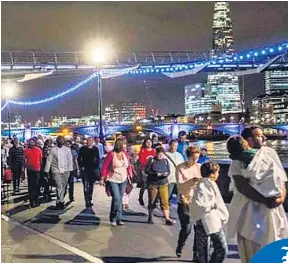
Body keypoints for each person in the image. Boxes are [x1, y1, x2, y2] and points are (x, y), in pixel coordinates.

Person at [226, 125, 288, 263]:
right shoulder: (236, 162)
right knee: (252, 250)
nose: (264, 137)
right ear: (249, 140)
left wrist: (281, 198)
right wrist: (265, 200)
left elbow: (281, 178)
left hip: (272, 210)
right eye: (259, 135)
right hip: (249, 211)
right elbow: (242, 187)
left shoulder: (270, 153)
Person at [190, 161, 229, 263]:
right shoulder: (205, 184)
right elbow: (201, 204)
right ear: (212, 173)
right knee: (221, 248)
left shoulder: (207, 184)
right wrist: (212, 206)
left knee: (204, 252)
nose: (218, 175)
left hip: (205, 221)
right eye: (217, 172)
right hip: (208, 221)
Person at [175, 146, 202, 259]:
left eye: (197, 158)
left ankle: (196, 253)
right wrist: (192, 181)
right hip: (184, 200)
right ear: (188, 157)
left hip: (197, 201)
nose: (195, 161)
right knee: (186, 228)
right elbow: (180, 185)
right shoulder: (180, 167)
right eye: (193, 158)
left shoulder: (200, 167)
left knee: (198, 229)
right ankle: (180, 246)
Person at [101, 138, 133, 226]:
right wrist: (102, 177)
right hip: (112, 179)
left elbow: (128, 166)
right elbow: (105, 166)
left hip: (123, 179)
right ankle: (113, 217)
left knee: (120, 199)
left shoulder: (125, 154)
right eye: (124, 144)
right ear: (119, 145)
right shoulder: (111, 154)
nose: (125, 146)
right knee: (116, 199)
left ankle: (119, 218)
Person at [145, 146, 175, 225]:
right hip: (153, 184)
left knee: (165, 201)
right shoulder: (152, 160)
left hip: (163, 183)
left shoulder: (165, 161)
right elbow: (146, 170)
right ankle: (150, 217)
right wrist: (156, 174)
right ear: (156, 153)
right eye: (159, 154)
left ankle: (167, 218)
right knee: (152, 201)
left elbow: (168, 171)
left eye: (161, 154)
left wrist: (165, 174)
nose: (160, 156)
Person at [45, 136, 73, 210]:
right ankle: (61, 201)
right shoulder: (53, 149)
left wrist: (71, 170)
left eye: (62, 140)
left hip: (66, 170)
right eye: (59, 140)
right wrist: (46, 171)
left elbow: (70, 160)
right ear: (57, 141)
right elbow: (49, 160)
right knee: (59, 186)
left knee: (63, 186)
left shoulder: (67, 149)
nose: (60, 142)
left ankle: (59, 200)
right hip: (56, 170)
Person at [78, 137, 100, 208]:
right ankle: (87, 200)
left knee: (91, 184)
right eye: (88, 140)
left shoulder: (95, 149)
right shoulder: (82, 149)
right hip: (85, 169)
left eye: (90, 141)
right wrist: (81, 166)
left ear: (92, 141)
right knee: (86, 185)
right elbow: (79, 158)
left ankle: (90, 197)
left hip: (92, 169)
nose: (89, 142)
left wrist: (96, 166)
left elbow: (98, 159)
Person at [23, 138, 43, 207]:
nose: (31, 143)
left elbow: (41, 160)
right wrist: (24, 169)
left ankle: (35, 199)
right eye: (30, 142)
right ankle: (32, 200)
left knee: (36, 185)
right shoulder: (26, 150)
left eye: (32, 142)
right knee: (31, 185)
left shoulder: (38, 149)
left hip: (37, 170)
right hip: (29, 170)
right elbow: (24, 160)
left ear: (35, 143)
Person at [138, 138, 156, 206]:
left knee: (151, 186)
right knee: (144, 185)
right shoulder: (142, 151)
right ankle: (140, 198)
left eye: (150, 142)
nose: (149, 143)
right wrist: (149, 163)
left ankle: (152, 200)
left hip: (152, 170)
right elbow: (141, 161)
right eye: (147, 142)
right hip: (144, 170)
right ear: (145, 143)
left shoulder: (154, 151)